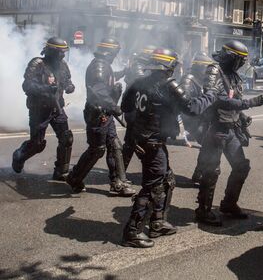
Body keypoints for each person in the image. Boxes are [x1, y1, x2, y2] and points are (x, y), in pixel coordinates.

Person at [119, 48, 220, 248]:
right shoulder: (168, 84)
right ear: (169, 66)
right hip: (153, 141)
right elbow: (192, 108)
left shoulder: (139, 81)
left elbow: (125, 107)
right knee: (152, 186)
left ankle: (157, 222)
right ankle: (132, 231)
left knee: (166, 180)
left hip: (143, 139)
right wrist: (211, 94)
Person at [195, 41, 263, 226]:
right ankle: (203, 210)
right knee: (212, 170)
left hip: (231, 128)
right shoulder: (214, 71)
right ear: (231, 57)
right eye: (240, 60)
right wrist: (251, 103)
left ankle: (229, 204)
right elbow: (217, 100)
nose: (242, 64)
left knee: (241, 167)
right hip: (216, 128)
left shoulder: (234, 76)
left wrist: (242, 115)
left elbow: (235, 100)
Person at [66, 38, 134, 196]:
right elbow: (99, 90)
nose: (115, 56)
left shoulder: (104, 65)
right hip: (98, 114)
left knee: (115, 145)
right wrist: (114, 107)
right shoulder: (99, 65)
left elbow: (108, 79)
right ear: (109, 52)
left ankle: (118, 181)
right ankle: (74, 177)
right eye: (115, 53)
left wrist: (123, 72)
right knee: (97, 149)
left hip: (105, 113)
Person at [12, 37, 75, 181]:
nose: (63, 55)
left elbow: (67, 81)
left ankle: (61, 171)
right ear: (52, 51)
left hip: (57, 108)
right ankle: (19, 156)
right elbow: (27, 86)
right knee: (37, 144)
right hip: (39, 110)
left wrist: (70, 86)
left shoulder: (63, 65)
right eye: (60, 52)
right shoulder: (37, 64)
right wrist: (45, 88)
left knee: (66, 138)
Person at [179, 53, 216, 185]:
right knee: (209, 145)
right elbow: (187, 105)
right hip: (194, 121)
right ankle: (200, 173)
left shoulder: (201, 80)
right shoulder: (188, 80)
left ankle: (199, 173)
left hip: (203, 119)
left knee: (208, 146)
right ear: (200, 67)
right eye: (208, 68)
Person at [121, 45, 156, 177]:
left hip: (135, 109)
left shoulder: (140, 66)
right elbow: (143, 87)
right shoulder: (139, 68)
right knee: (137, 142)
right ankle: (120, 173)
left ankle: (120, 172)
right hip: (135, 110)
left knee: (131, 143)